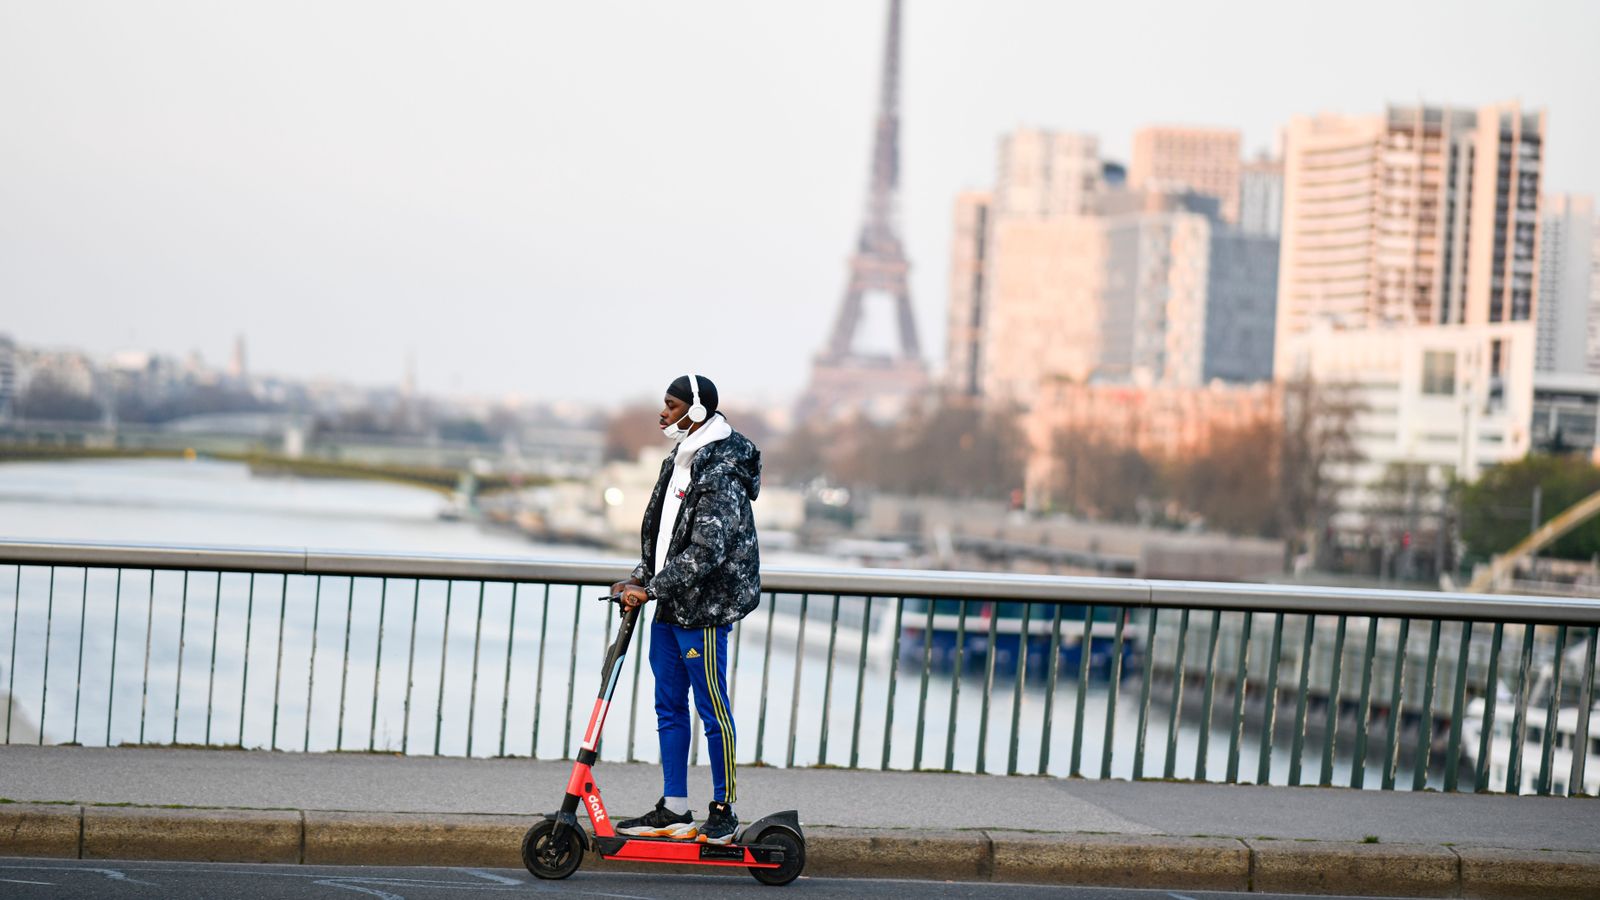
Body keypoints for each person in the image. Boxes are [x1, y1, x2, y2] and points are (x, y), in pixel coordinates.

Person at [611, 373, 761, 845]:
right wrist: (640, 576)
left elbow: (707, 550)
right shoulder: (680, 458)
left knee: (712, 709)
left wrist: (651, 588)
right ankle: (674, 809)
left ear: (696, 412)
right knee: (668, 706)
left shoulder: (722, 468)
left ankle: (725, 810)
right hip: (671, 602)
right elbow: (664, 534)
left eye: (671, 405)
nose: (662, 413)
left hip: (707, 608)